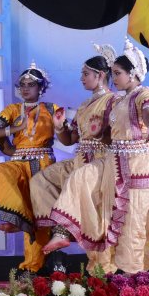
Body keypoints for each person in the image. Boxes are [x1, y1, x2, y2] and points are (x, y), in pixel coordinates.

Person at [43, 39, 149, 274]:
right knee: (81, 178)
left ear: (133, 74)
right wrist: (87, 132)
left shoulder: (144, 94)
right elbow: (106, 136)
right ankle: (62, 233)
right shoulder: (119, 99)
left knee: (132, 222)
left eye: (118, 73)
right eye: (113, 73)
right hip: (114, 160)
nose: (115, 78)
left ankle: (131, 278)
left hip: (139, 165)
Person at [31, 48, 115, 271]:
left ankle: (64, 234)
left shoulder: (114, 101)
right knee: (41, 179)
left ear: (100, 75)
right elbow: (70, 140)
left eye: (85, 74)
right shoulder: (85, 105)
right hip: (80, 158)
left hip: (101, 161)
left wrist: (102, 132)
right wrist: (60, 128)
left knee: (94, 216)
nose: (81, 78)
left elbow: (117, 134)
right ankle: (61, 228)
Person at [0, 63, 62, 274]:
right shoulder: (12, 110)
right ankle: (17, 216)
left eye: (31, 85)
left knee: (41, 215)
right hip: (18, 162)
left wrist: (63, 127)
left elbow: (68, 137)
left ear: (41, 88)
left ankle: (33, 266)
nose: (25, 89)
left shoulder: (52, 109)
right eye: (22, 85)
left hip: (43, 164)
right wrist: (12, 131)